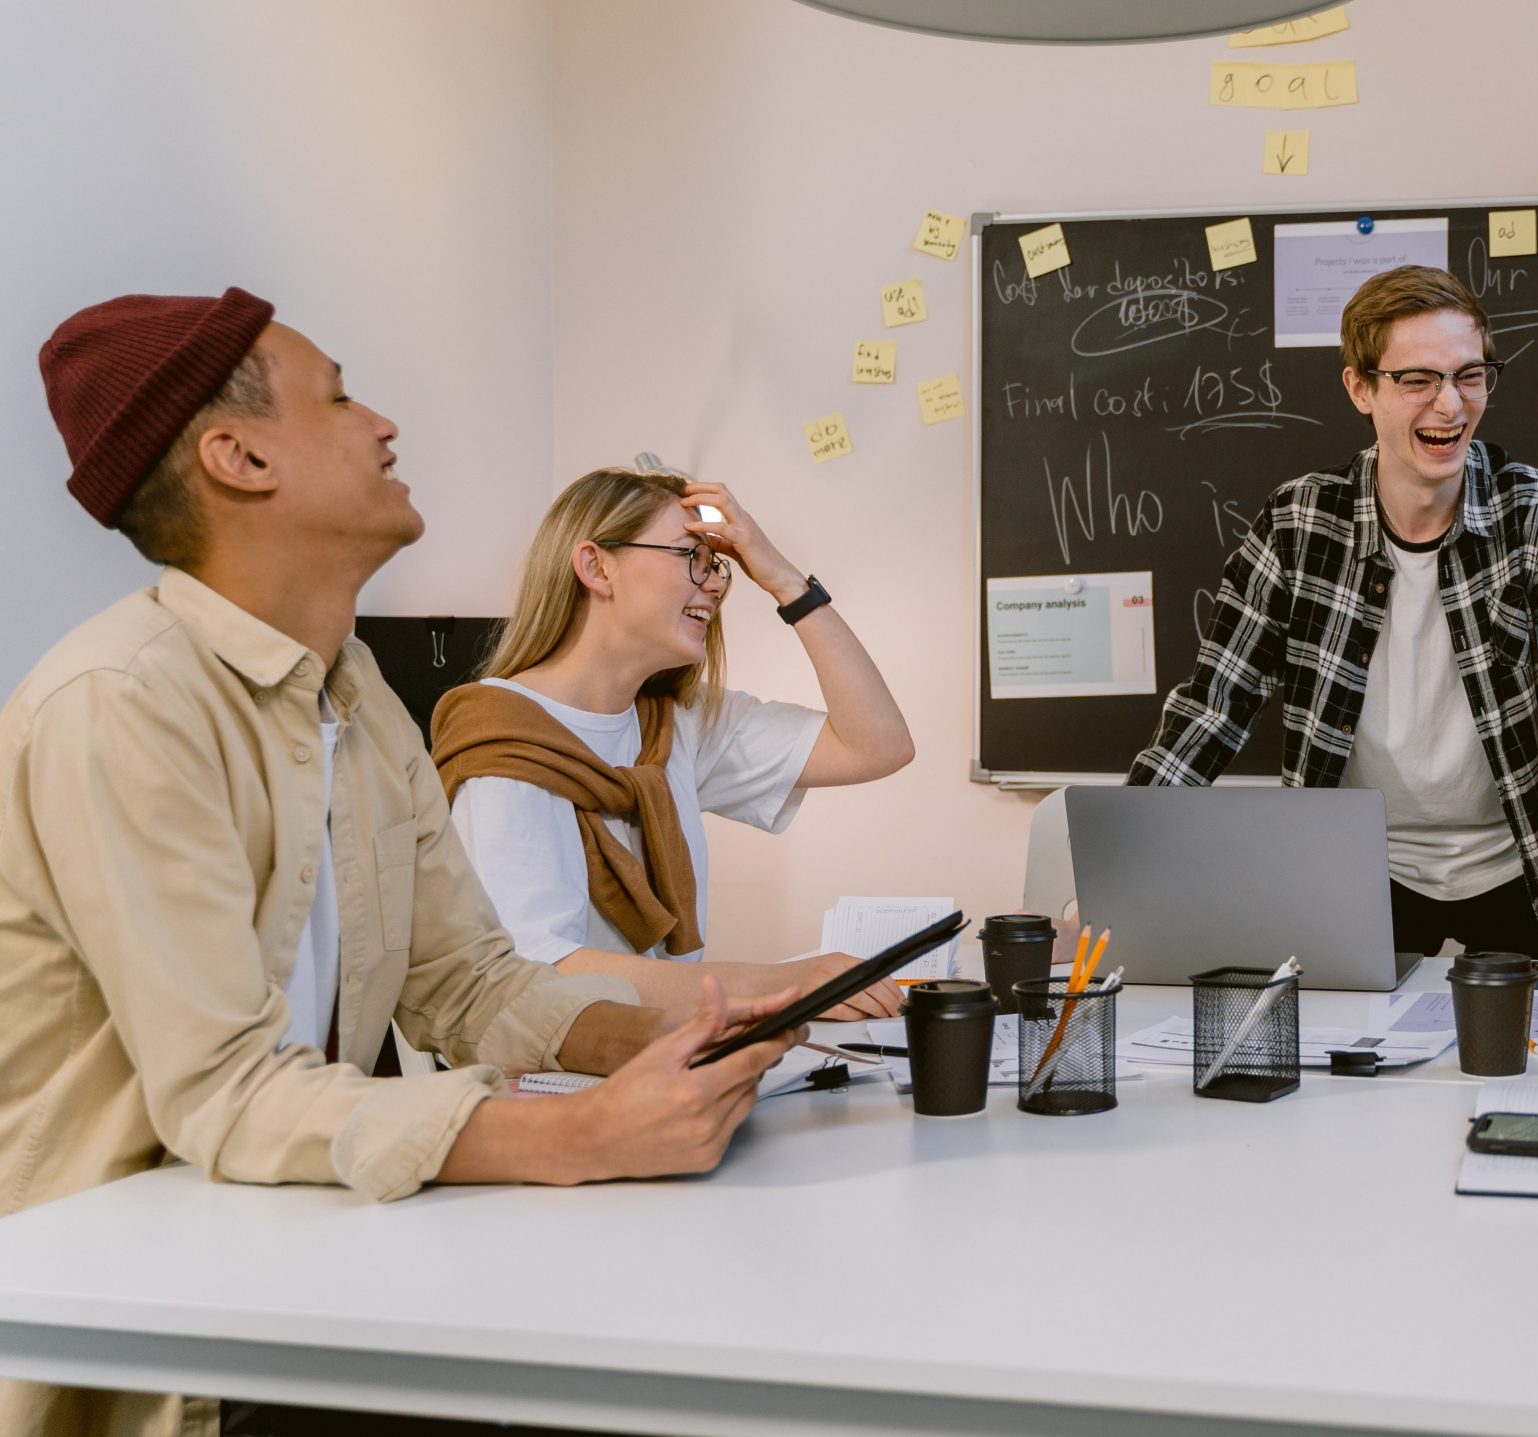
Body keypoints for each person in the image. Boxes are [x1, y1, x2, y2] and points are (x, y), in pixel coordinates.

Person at [0, 289, 808, 1437]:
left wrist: (669, 1041)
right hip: (164, 1343)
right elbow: (228, 1095)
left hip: (303, 1267)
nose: (382, 423)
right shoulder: (123, 705)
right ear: (236, 458)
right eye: (336, 395)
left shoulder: (357, 694)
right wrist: (579, 1135)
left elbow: (469, 981)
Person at [1128, 266, 1538, 994]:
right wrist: (1108, 894)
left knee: (1513, 1066)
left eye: (1470, 375)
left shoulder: (1534, 515)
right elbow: (1212, 709)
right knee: (1344, 1075)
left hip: (1511, 864)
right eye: (1418, 380)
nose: (1451, 404)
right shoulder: (1297, 521)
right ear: (1360, 389)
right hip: (1353, 868)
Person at [432, 466, 915, 1018]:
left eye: (718, 568)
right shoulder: (503, 740)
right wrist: (777, 985)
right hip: (556, 1078)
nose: (713, 584)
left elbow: (878, 745)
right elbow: (533, 968)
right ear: (596, 566)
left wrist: (787, 583)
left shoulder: (674, 723)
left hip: (661, 1051)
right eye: (691, 557)